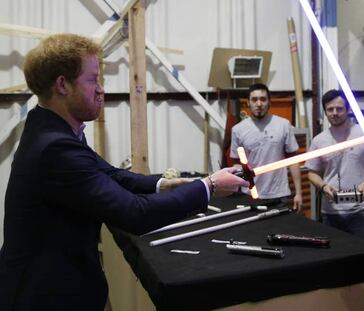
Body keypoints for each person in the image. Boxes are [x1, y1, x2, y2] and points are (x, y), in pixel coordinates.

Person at [0, 33, 249, 311]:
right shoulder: (55, 147)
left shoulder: (52, 129)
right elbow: (134, 213)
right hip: (46, 296)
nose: (101, 89)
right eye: (93, 79)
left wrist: (170, 184)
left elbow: (112, 175)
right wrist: (209, 186)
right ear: (62, 85)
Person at [305, 89, 364, 240]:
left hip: (359, 211)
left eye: (339, 108)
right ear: (325, 112)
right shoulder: (319, 141)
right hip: (330, 212)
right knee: (334, 259)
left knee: (361, 256)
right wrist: (324, 186)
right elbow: (312, 172)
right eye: (330, 109)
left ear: (348, 109)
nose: (334, 113)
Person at [230, 83, 303, 211]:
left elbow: (293, 161)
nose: (259, 104)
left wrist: (299, 193)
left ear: (269, 102)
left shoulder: (284, 125)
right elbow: (237, 164)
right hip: (250, 194)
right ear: (248, 103)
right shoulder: (238, 130)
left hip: (279, 195)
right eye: (254, 99)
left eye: (263, 99)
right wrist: (235, 191)